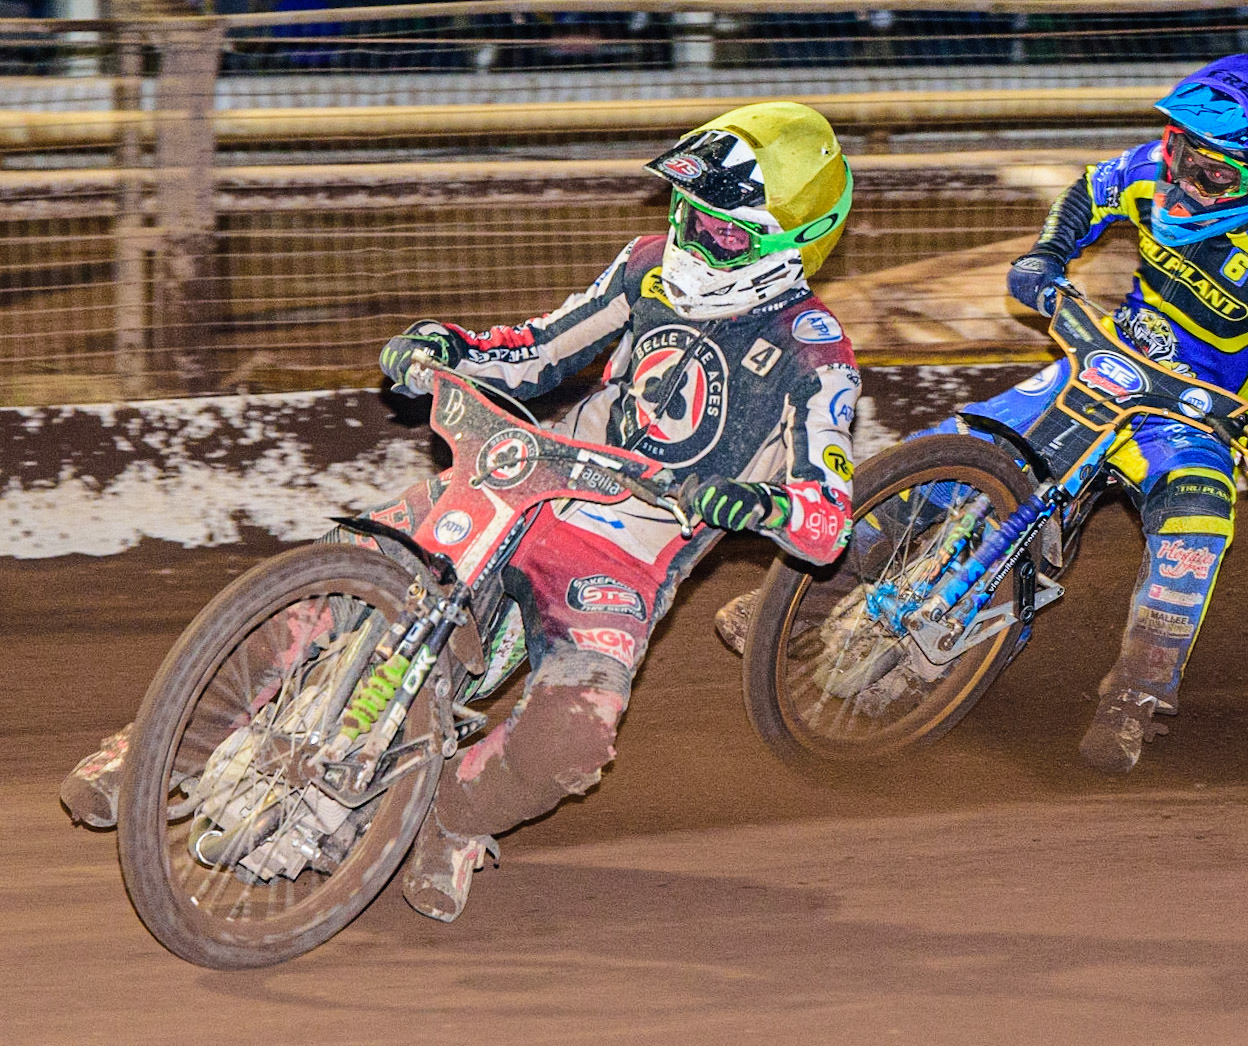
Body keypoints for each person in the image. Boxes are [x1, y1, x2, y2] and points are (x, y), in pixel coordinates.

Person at [61, 101, 860, 921]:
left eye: (724, 229)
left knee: (570, 742)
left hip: (622, 552)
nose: (694, 234)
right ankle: (154, 753)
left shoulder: (815, 354)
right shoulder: (645, 266)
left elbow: (825, 518)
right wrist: (447, 345)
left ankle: (450, 821)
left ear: (793, 242)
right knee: (332, 587)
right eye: (688, 211)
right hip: (523, 478)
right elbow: (537, 350)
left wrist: (758, 502)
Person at [717, 54, 1248, 774]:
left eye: (1211, 174)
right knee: (949, 450)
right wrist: (1047, 255)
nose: (1179, 181)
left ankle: (1135, 698)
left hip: (1188, 422)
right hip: (1102, 364)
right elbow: (1089, 191)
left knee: (1195, 524)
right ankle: (796, 605)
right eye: (1178, 152)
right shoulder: (1152, 170)